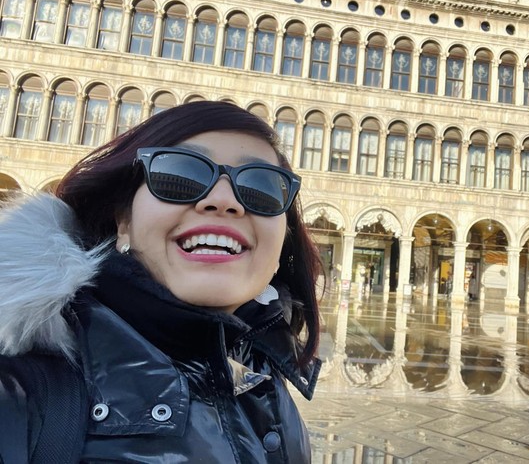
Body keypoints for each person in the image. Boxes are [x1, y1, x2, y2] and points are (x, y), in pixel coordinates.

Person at [0, 101, 321, 462]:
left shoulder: (264, 378)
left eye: (262, 188)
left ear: (282, 242)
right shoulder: (20, 394)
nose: (223, 200)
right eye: (179, 176)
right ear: (123, 220)